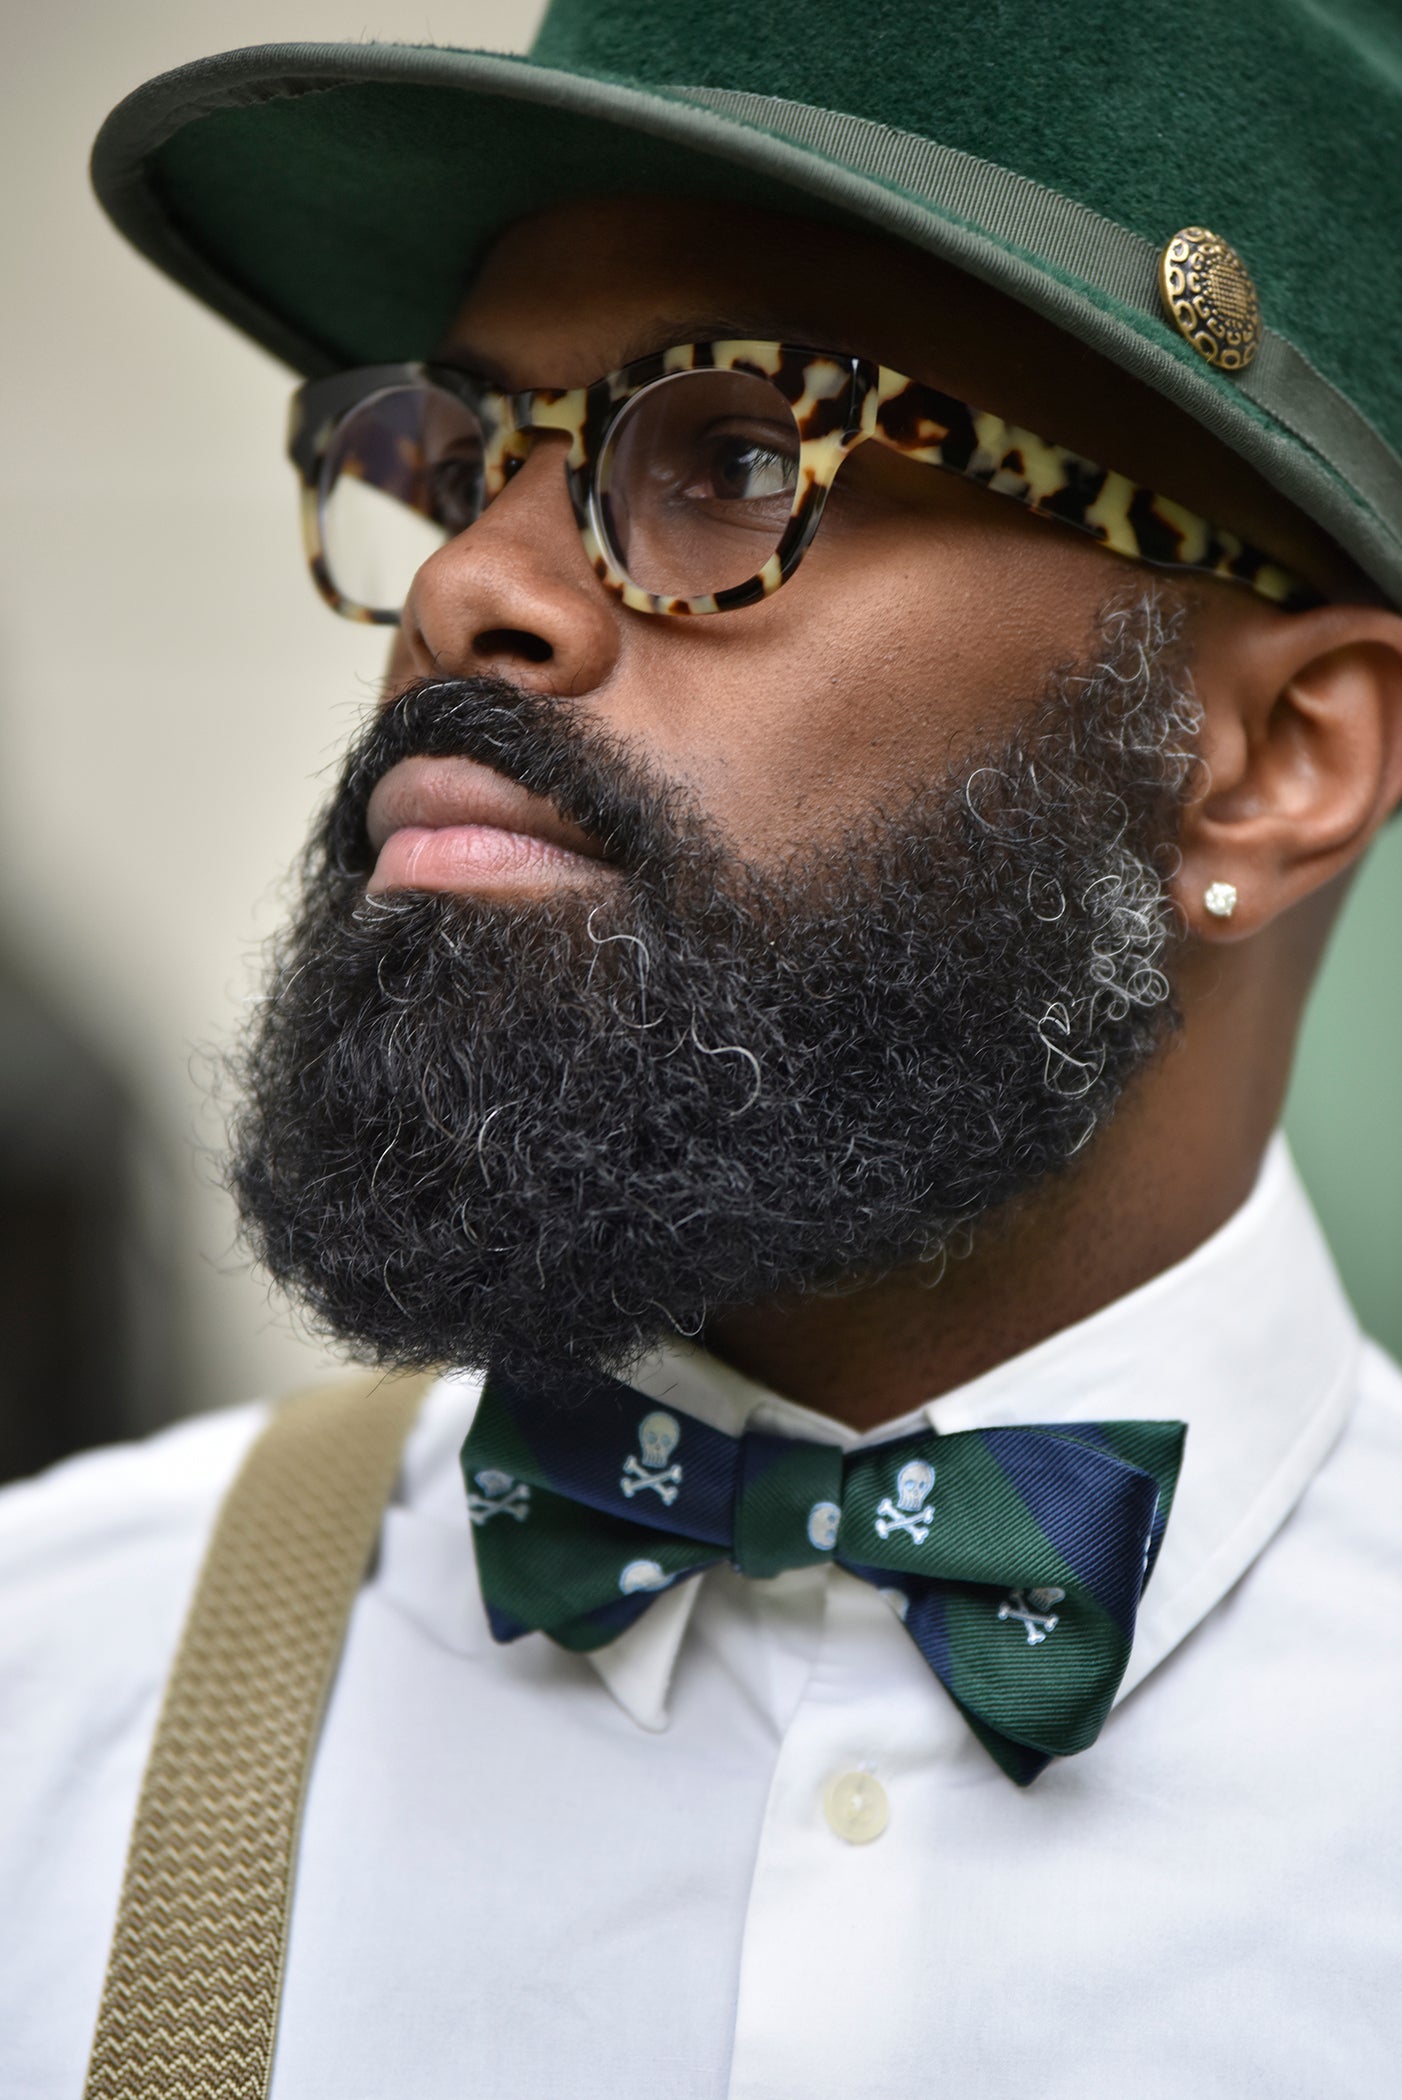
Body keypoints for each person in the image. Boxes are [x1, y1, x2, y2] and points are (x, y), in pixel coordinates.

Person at [4, 2, 1401, 2093]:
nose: (471, 583)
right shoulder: (49, 1706)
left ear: (1271, 762)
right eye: (465, 457)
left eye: (736, 456)